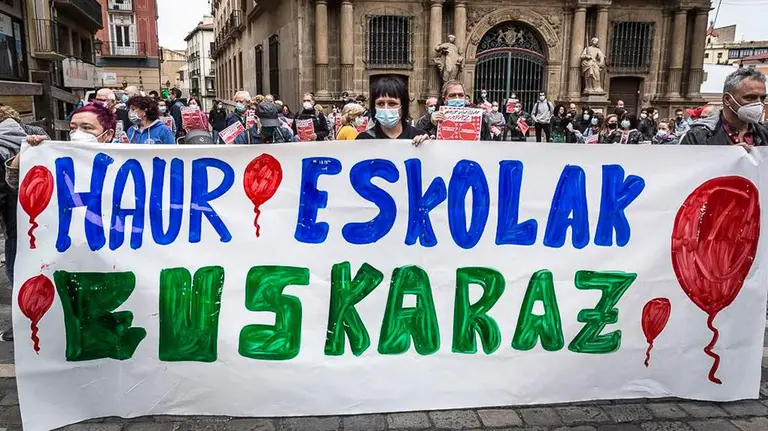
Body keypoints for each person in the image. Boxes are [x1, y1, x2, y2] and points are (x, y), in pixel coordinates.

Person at [682, 68, 768, 149]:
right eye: (750, 97)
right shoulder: (697, 136)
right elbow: (685, 164)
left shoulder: (764, 134)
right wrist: (725, 157)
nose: (758, 103)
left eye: (762, 98)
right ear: (727, 99)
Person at [356, 76, 429, 146]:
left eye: (392, 103)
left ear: (402, 106)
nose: (386, 108)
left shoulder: (418, 135)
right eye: (380, 103)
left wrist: (427, 146)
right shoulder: (363, 140)